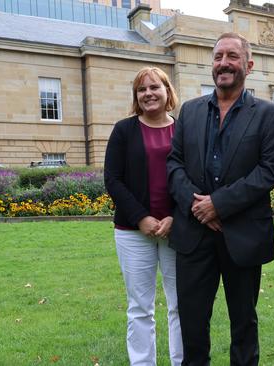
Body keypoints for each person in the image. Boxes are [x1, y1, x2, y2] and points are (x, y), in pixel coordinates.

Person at [167, 32, 274, 365]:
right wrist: (198, 205)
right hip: (193, 235)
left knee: (244, 325)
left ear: (248, 65)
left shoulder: (270, 115)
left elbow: (269, 171)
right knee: (192, 325)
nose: (223, 63)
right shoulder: (188, 112)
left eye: (232, 56)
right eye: (218, 57)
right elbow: (174, 163)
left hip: (243, 235)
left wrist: (218, 204)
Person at [104, 66, 182, 366]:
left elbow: (191, 177)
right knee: (140, 307)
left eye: (154, 87)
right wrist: (141, 218)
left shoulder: (183, 128)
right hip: (133, 232)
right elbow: (113, 179)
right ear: (136, 96)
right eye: (141, 89)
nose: (148, 93)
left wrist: (175, 217)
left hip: (177, 229)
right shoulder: (124, 130)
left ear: (167, 91)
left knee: (179, 305)